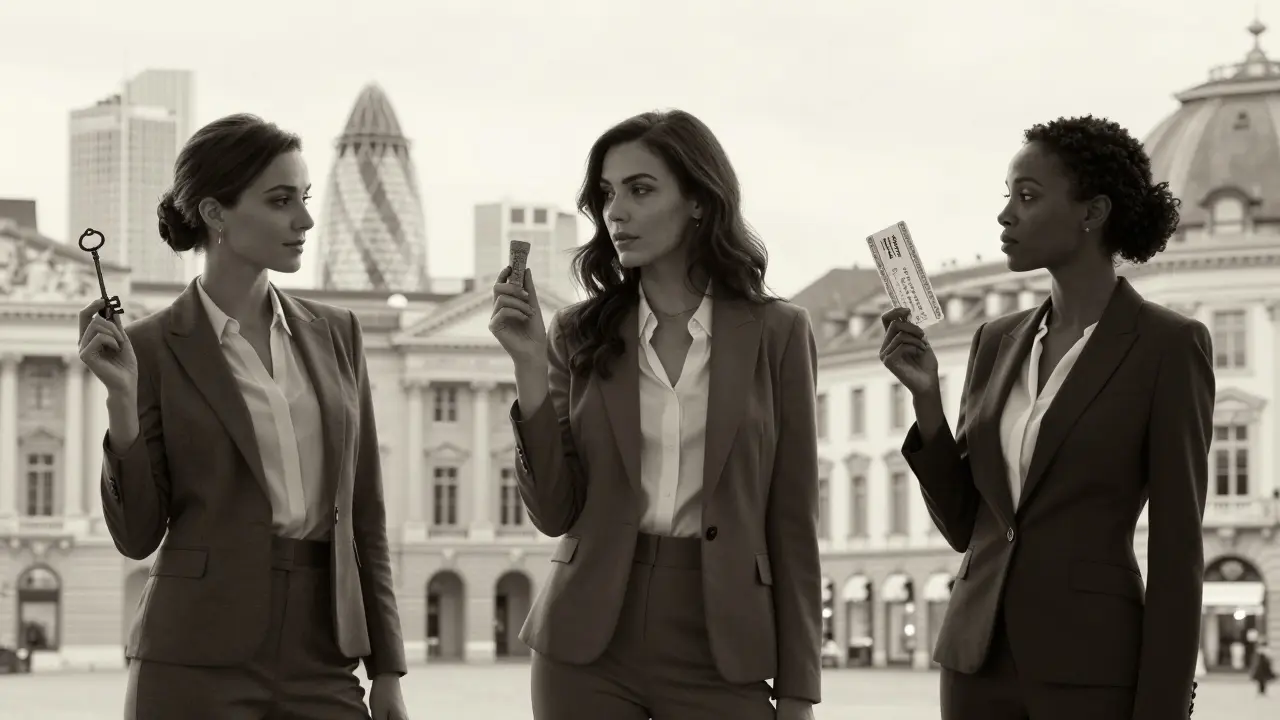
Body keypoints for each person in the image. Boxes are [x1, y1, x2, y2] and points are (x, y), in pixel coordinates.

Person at [488, 109, 822, 720]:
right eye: (608, 195)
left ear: (698, 200)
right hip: (587, 643)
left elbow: (793, 518)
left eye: (641, 190)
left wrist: (799, 690)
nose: (616, 211)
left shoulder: (779, 332)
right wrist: (529, 367)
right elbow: (555, 511)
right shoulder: (577, 333)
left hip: (723, 642)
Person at [879, 115, 1213, 720]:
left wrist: (1163, 707)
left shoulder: (1169, 346)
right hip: (974, 663)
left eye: (1027, 197)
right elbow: (967, 529)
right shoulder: (994, 340)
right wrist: (927, 401)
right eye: (1007, 197)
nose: (1006, 215)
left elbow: (1177, 550)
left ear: (1093, 212)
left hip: (1092, 668)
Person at [76, 114, 410, 720]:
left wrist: (386, 668)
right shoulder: (150, 347)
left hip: (323, 652)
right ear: (215, 213)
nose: (305, 220)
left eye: (304, 199)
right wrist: (121, 402)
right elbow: (137, 535)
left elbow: (366, 515)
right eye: (281, 201)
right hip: (194, 655)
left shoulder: (339, 334)